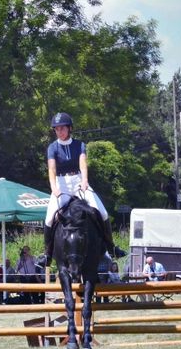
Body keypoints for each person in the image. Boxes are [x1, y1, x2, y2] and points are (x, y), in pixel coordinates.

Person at [38, 112, 126, 267]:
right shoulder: (52, 148)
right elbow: (51, 169)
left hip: (78, 180)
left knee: (102, 212)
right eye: (57, 129)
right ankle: (47, 254)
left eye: (62, 128)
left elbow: (83, 164)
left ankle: (111, 248)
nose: (60, 132)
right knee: (50, 217)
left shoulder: (80, 145)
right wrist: (54, 188)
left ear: (69, 128)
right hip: (61, 182)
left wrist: (85, 180)